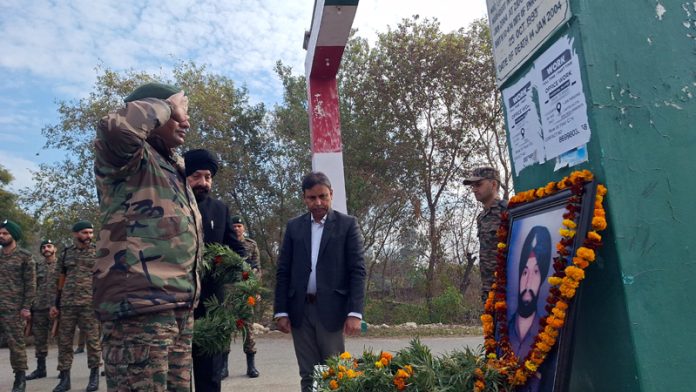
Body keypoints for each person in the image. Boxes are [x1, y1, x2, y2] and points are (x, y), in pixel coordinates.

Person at [93, 82, 203, 391]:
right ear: (153, 111)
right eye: (179, 112)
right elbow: (115, 127)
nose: (186, 120)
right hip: (138, 309)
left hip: (177, 305)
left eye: (185, 112)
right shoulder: (126, 156)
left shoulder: (170, 165)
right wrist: (168, 104)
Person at [273, 172, 366, 392]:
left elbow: (358, 271)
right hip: (300, 311)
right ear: (304, 198)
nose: (318, 203)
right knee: (308, 373)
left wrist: (355, 312)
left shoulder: (347, 225)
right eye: (312, 198)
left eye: (323, 196)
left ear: (331, 195)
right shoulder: (294, 227)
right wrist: (281, 311)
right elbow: (283, 271)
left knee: (334, 372)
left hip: (332, 310)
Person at [183, 148, 248, 391]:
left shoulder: (220, 210)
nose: (203, 182)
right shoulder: (169, 206)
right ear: (185, 176)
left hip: (211, 306)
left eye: (208, 177)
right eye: (196, 176)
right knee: (174, 375)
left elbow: (236, 250)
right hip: (175, 303)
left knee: (210, 374)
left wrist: (247, 274)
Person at [50, 221, 101, 392]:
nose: (88, 236)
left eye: (91, 232)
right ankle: (65, 379)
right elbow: (59, 280)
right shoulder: (66, 254)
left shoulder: (98, 252)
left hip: (89, 303)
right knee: (64, 343)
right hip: (68, 304)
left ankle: (94, 377)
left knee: (93, 342)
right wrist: (54, 304)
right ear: (75, 234)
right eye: (85, 233)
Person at [508, 226, 552, 392]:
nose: (527, 284)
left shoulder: (548, 335)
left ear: (543, 278)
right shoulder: (505, 330)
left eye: (536, 272)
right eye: (525, 272)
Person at [0, 219, 36, 392]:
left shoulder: (25, 256)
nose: (1, 236)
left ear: (13, 235)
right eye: (0, 233)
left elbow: (30, 284)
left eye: (5, 233)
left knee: (16, 345)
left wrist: (26, 307)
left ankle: (20, 379)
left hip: (13, 309)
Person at [463, 166, 508, 303]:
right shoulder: (481, 217)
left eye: (478, 184)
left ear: (493, 184)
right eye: (472, 186)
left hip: (506, 286)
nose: (474, 189)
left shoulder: (507, 210)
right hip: (488, 287)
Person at [230, 215, 260, 378]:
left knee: (247, 328)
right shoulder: (225, 244)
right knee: (225, 326)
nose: (236, 228)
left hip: (246, 291)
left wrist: (256, 289)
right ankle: (222, 366)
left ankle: (251, 366)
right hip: (228, 291)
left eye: (239, 226)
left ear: (244, 228)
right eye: (234, 226)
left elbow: (257, 268)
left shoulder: (251, 245)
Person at [26, 239, 58, 381]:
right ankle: (41, 369)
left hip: (56, 308)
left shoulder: (61, 266)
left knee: (62, 340)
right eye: (43, 247)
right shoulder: (36, 266)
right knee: (39, 340)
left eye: (49, 246)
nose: (46, 248)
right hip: (39, 308)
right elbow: (32, 286)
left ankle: (64, 369)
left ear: (54, 249)